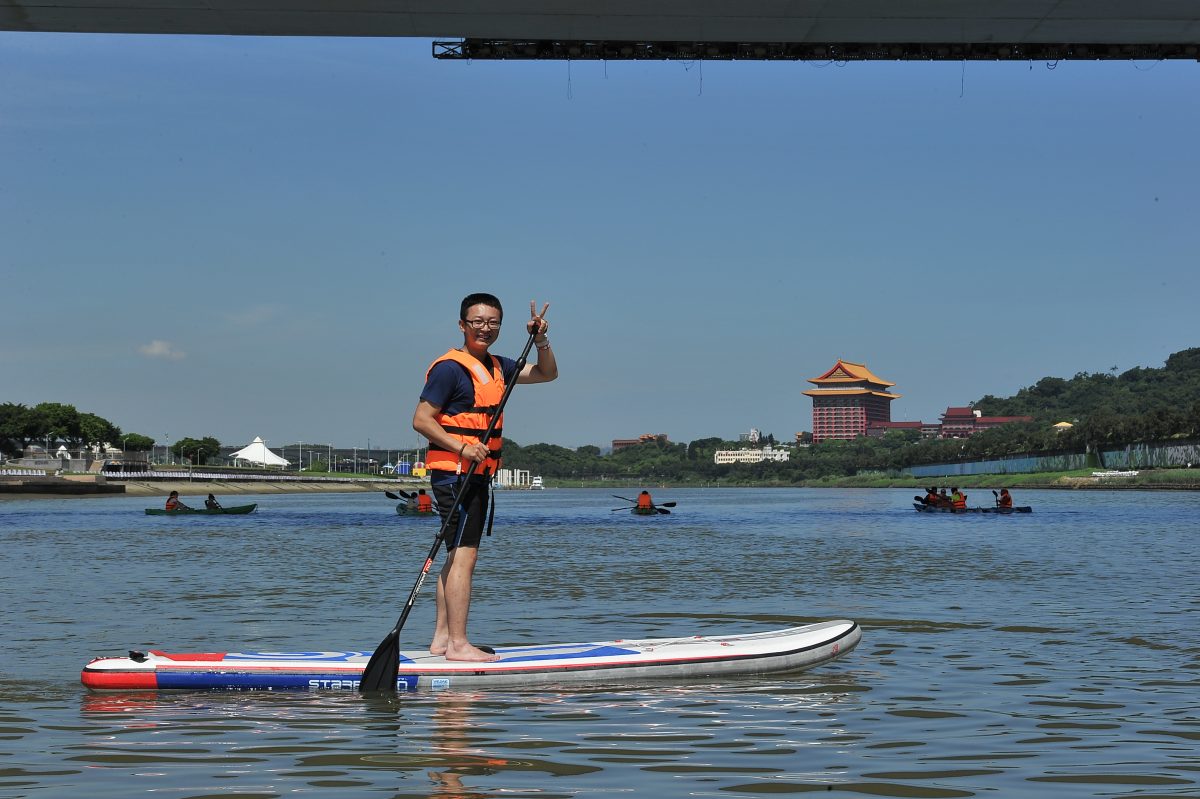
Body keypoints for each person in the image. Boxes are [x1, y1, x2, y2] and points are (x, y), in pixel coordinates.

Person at [413, 294, 557, 662]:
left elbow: (547, 373)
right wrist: (462, 448)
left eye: (492, 322)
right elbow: (422, 420)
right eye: (477, 321)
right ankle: (459, 645)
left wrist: (540, 340)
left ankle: (443, 639)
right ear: (462, 325)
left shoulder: (499, 366)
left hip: (474, 477)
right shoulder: (449, 369)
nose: (485, 328)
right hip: (455, 475)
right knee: (465, 557)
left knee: (454, 557)